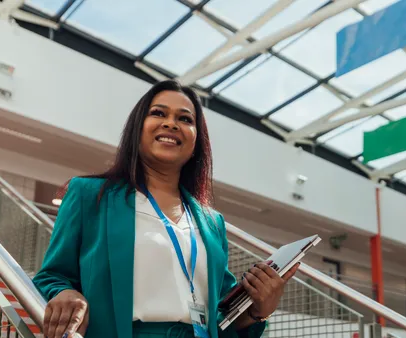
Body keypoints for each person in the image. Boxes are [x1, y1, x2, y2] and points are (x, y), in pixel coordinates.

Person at [32, 80, 300, 338]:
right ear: (138, 129)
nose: (171, 123)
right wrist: (64, 293)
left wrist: (259, 310)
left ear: (197, 141)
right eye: (158, 113)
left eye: (185, 119)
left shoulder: (211, 221)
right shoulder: (89, 194)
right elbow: (51, 276)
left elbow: (222, 315)